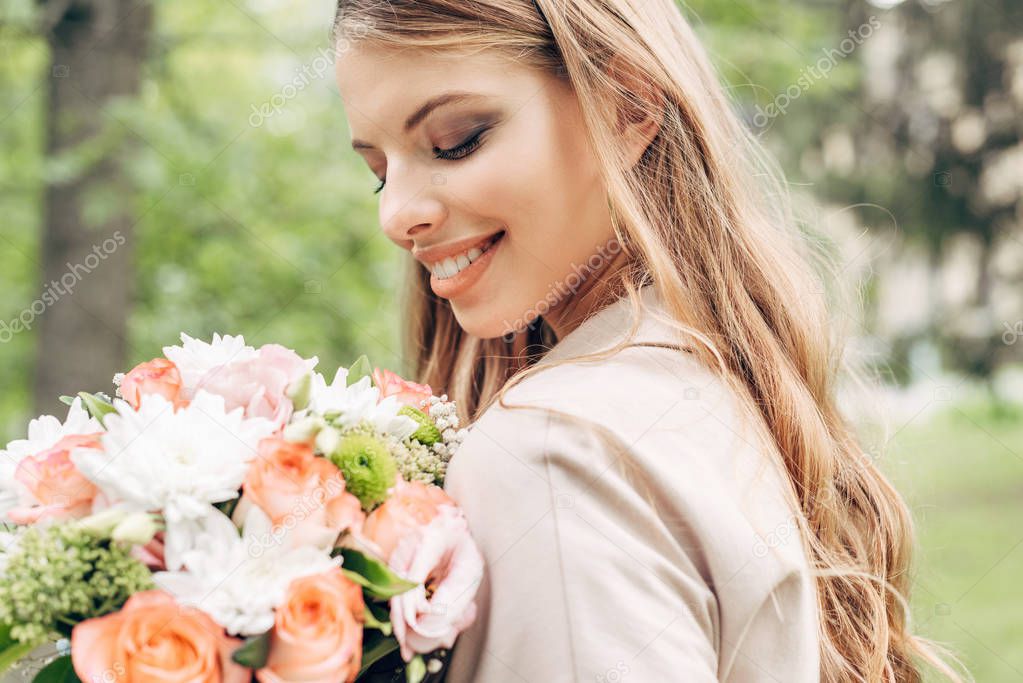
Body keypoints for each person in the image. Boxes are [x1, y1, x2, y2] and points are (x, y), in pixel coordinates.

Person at [332, 1, 964, 680]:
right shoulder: (722, 387)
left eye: (456, 140)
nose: (396, 216)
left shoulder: (551, 451)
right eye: (378, 172)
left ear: (628, 107)